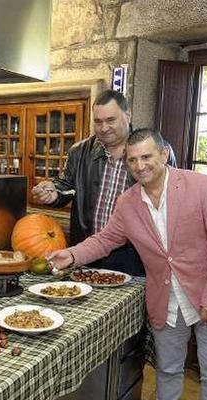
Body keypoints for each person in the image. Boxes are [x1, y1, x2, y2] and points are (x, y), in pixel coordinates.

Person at [49, 128, 207, 400]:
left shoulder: (200, 187)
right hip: (165, 297)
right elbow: (106, 239)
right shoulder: (128, 203)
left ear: (164, 155)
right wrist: (71, 255)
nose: (140, 165)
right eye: (133, 159)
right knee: (167, 366)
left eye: (147, 156)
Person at [30, 90, 176, 276]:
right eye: (98, 121)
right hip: (88, 251)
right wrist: (53, 194)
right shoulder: (79, 151)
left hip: (136, 256)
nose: (104, 128)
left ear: (128, 115)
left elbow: (169, 200)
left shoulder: (155, 151)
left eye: (110, 120)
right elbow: (65, 187)